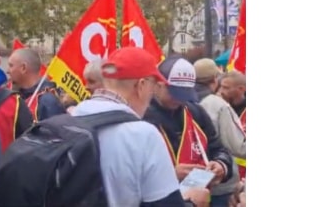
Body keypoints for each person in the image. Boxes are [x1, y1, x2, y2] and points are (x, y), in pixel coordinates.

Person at [70, 47, 210, 207]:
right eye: (153, 85)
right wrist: (192, 201)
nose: (152, 93)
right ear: (141, 85)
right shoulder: (143, 134)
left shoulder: (73, 116)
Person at [144, 56, 234, 192]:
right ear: (157, 84)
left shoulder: (195, 112)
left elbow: (218, 148)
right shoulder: (140, 116)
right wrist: (169, 174)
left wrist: (221, 165)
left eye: (184, 94)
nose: (179, 100)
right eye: (174, 93)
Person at [193, 58, 246, 206]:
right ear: (215, 79)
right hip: (220, 183)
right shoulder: (218, 105)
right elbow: (239, 146)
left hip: (191, 182)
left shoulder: (181, 100)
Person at [8, 48, 65, 121]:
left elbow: (56, 131)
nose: (7, 71)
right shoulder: (15, 95)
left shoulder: (47, 101)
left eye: (11, 65)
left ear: (23, 68)